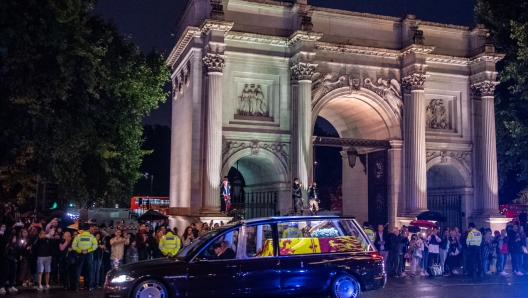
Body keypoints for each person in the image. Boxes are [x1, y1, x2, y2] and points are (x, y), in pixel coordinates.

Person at [72, 223, 98, 291]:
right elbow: (95, 246)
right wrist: (88, 250)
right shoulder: (92, 237)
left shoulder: (78, 236)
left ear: (82, 229)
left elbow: (73, 246)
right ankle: (89, 286)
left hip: (80, 254)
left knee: (78, 270)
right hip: (89, 254)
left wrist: (80, 250)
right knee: (89, 270)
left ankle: (76, 287)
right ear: (89, 229)